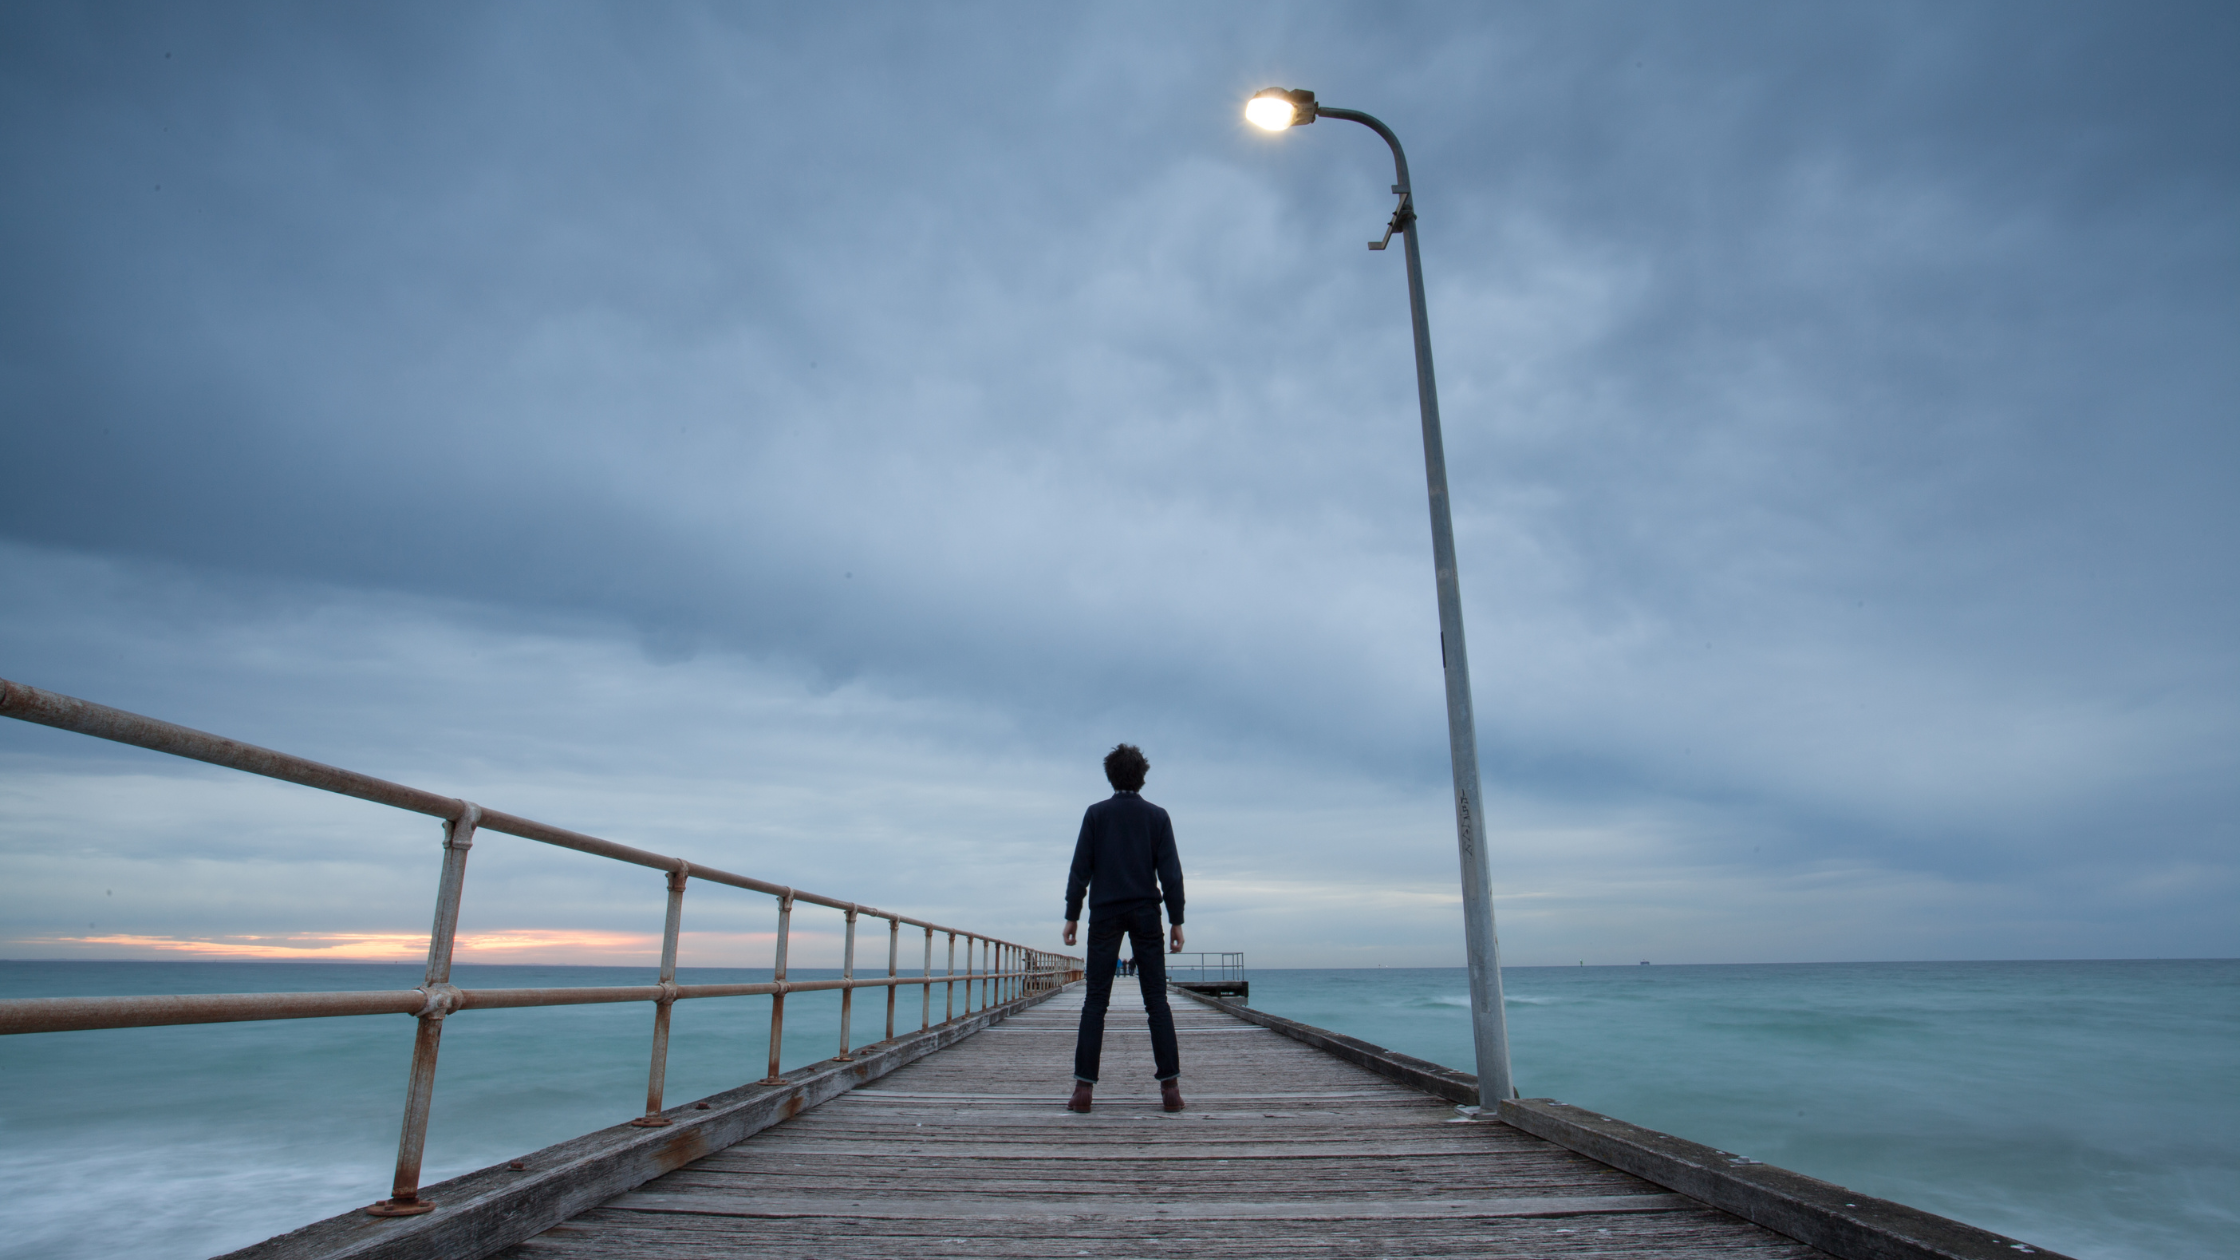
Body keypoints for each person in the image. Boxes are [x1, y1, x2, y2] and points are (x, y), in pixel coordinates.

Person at [1062, 743, 1186, 1114]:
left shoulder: (1096, 815)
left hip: (1103, 914)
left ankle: (1083, 1089)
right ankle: (1171, 1090)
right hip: (1147, 912)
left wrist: (1072, 914)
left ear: (1110, 776)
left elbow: (1080, 869)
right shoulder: (1157, 816)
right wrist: (1176, 920)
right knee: (1156, 1002)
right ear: (1142, 776)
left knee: (1095, 1002)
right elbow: (1171, 874)